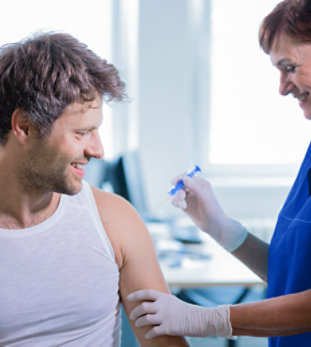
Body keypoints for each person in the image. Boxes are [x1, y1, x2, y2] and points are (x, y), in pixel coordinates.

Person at [127, 0, 311, 346]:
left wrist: (204, 318)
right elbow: (293, 276)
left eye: (290, 67)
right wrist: (221, 227)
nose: (282, 87)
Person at [0, 32, 188, 346]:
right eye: (82, 132)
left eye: (96, 130)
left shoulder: (114, 220)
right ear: (25, 126)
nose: (98, 150)